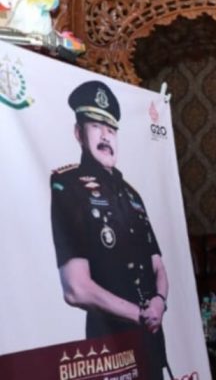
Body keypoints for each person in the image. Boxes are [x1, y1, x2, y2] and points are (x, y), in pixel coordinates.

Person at [50, 80, 170, 379]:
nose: (106, 136)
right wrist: (138, 314)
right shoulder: (68, 187)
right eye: (96, 126)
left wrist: (159, 301)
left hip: (151, 342)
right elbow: (75, 288)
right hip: (110, 347)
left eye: (111, 129)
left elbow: (158, 266)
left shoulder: (132, 195)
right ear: (78, 133)